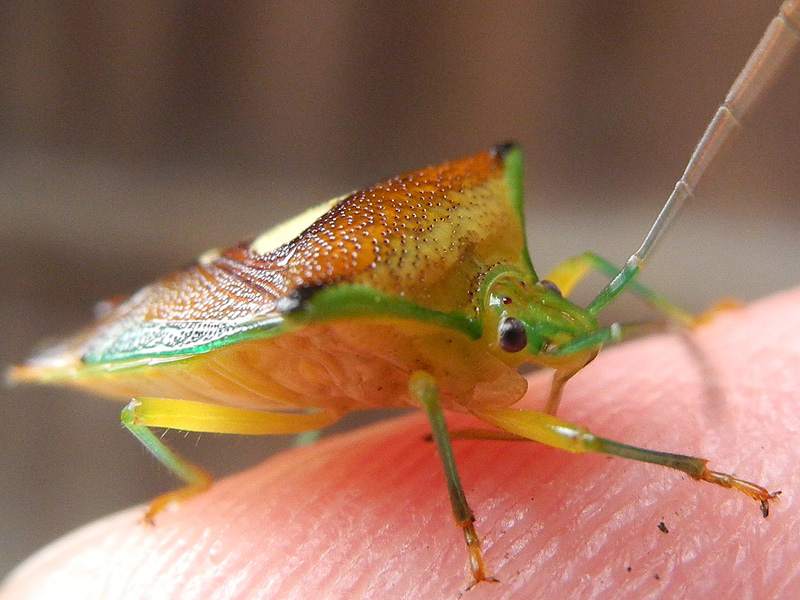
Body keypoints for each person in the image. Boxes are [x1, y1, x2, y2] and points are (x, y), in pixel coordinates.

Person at [2, 288, 799, 599]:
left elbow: (591, 267)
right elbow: (426, 388)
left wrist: (685, 324)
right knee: (141, 413)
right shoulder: (430, 365)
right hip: (208, 342)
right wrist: (470, 534)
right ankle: (701, 473)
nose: (568, 345)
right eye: (525, 337)